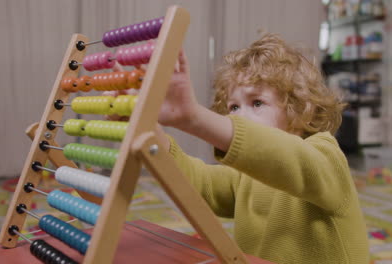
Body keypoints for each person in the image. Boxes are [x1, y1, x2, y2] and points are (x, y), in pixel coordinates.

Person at [111, 34, 369, 264]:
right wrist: (149, 130)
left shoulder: (325, 156)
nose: (238, 117)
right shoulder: (246, 175)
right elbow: (200, 182)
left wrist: (193, 118)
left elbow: (294, 161)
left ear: (301, 108)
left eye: (257, 102)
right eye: (233, 107)